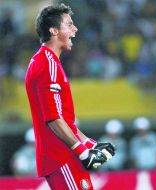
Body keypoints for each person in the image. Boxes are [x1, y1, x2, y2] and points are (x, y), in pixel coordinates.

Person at [25, 4, 115, 190]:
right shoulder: (47, 64)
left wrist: (90, 144)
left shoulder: (47, 62)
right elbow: (54, 120)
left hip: (65, 155)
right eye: (69, 25)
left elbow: (65, 120)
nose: (75, 29)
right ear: (54, 30)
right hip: (60, 157)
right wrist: (82, 151)